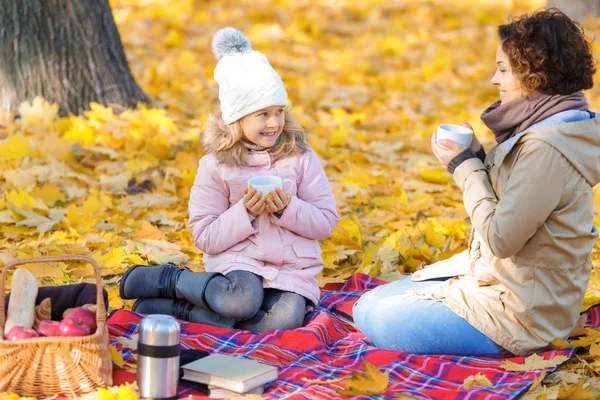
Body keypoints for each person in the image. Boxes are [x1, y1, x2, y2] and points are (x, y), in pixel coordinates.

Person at [353, 8, 599, 357]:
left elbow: (501, 238)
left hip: (521, 314)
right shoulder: (551, 127)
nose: (493, 80)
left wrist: (465, 166)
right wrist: (479, 158)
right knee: (366, 306)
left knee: (375, 318)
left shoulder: (547, 147)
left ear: (534, 77)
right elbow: (520, 198)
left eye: (502, 70)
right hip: (503, 283)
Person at [120, 28, 339, 332]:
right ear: (236, 118)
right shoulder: (216, 166)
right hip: (240, 263)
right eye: (262, 114)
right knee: (241, 303)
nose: (274, 123)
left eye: (279, 112)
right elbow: (205, 235)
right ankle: (171, 280)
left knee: (285, 321)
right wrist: (245, 212)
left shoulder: (301, 157)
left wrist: (286, 210)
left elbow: (326, 220)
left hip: (291, 270)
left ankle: (179, 309)